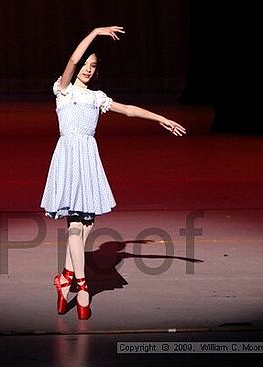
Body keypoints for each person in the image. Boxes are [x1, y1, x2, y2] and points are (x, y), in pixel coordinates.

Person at [40, 26, 186, 320]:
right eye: (85, 65)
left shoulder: (97, 98)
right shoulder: (63, 90)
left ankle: (64, 279)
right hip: (69, 158)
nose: (87, 69)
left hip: (88, 160)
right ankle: (82, 288)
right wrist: (94, 33)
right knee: (74, 225)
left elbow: (129, 110)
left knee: (87, 225)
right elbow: (71, 60)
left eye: (92, 66)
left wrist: (161, 119)